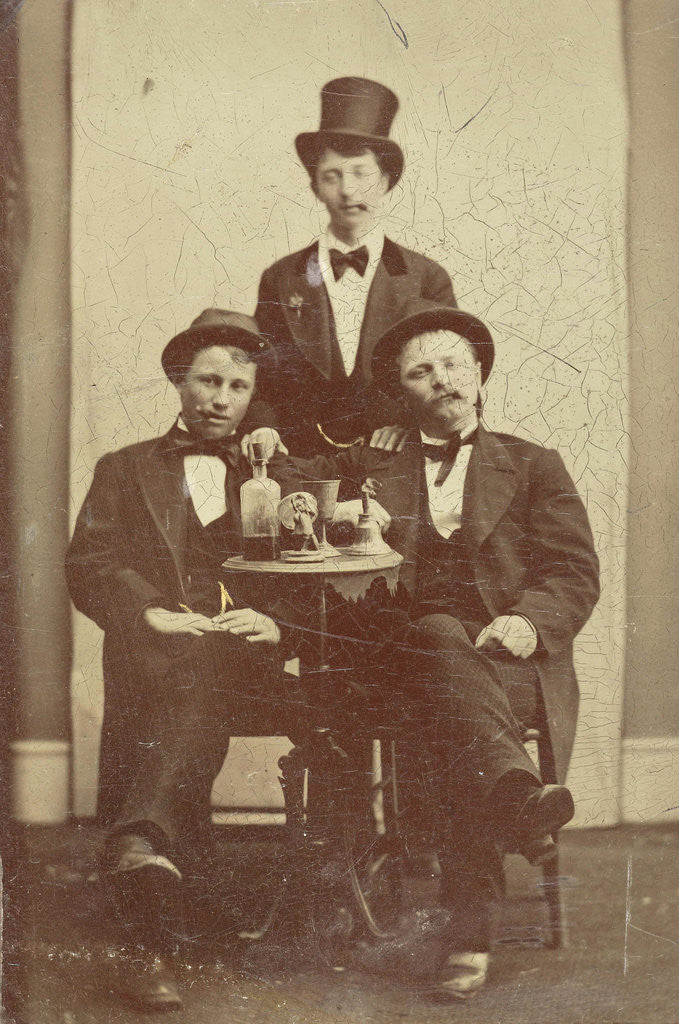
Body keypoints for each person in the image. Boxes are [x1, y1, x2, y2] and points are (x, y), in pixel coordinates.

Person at [281, 298, 600, 998]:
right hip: (398, 653)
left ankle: (471, 929)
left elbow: (572, 573)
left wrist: (529, 622)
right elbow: (290, 480)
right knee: (431, 636)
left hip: (503, 661)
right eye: (420, 372)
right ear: (402, 393)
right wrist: (325, 467)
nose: (442, 380)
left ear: (480, 373)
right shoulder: (378, 455)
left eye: (454, 363)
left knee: (447, 714)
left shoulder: (533, 464)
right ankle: (516, 806)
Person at [65, 309, 294, 1011]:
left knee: (207, 667)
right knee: (191, 667)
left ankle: (139, 845)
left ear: (254, 394)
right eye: (206, 381)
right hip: (160, 659)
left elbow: (331, 572)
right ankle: (154, 907)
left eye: (237, 385)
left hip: (257, 664)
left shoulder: (284, 472)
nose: (220, 398)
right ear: (178, 380)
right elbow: (89, 561)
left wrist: (274, 620)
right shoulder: (125, 467)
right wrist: (143, 611)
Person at [254, 76, 455, 455]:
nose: (348, 190)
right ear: (315, 186)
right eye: (332, 176)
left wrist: (411, 425)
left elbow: (452, 373)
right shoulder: (281, 279)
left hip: (398, 458)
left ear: (385, 182)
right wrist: (263, 428)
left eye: (361, 174)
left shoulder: (427, 278)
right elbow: (262, 376)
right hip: (301, 462)